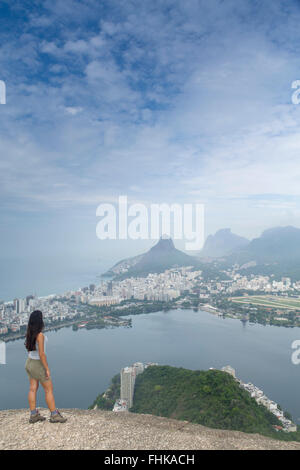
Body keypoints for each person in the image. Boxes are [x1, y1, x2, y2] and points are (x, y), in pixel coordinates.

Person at [24, 310, 67, 424]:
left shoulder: (29, 332)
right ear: (40, 321)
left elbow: (30, 350)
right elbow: (42, 354)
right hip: (38, 364)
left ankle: (33, 415)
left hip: (29, 362)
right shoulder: (40, 335)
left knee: (32, 388)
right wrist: (47, 369)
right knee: (48, 390)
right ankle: (54, 415)